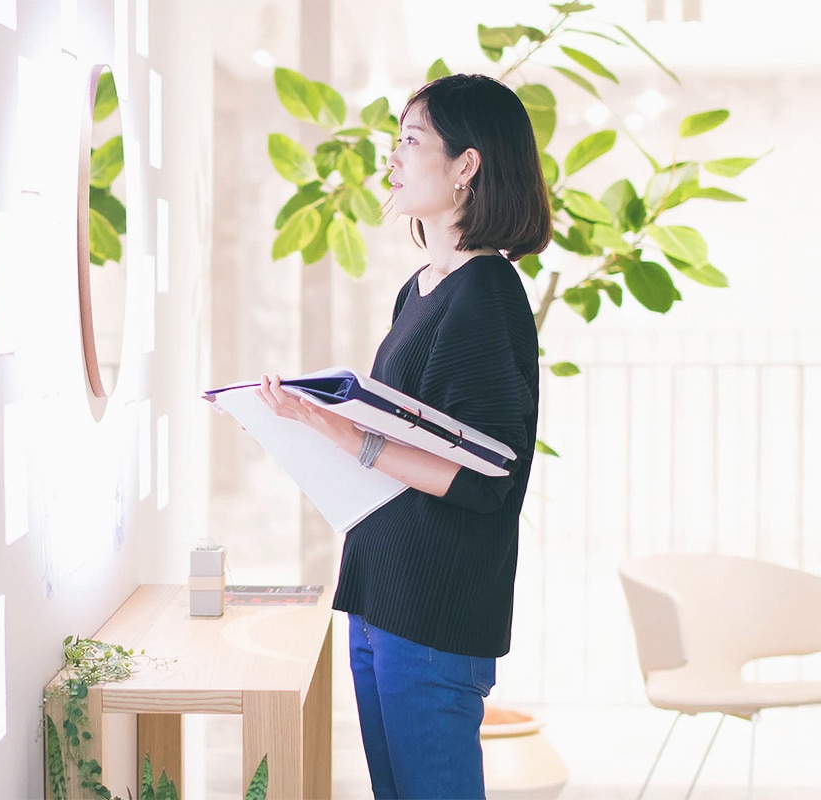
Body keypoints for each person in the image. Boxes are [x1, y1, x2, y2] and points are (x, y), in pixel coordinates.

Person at [253, 73, 549, 800]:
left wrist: (342, 431)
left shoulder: (487, 293)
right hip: (381, 588)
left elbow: (489, 479)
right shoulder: (420, 287)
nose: (393, 159)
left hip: (436, 607)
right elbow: (412, 437)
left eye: (411, 142)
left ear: (466, 166)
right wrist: (311, 421)